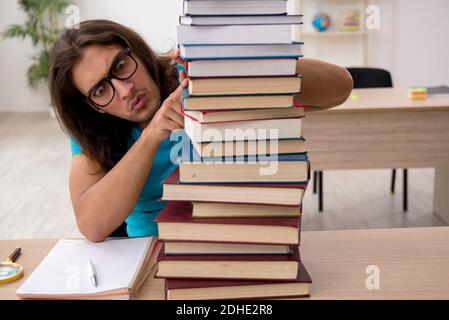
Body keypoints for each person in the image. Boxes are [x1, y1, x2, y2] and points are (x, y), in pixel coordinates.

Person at [49, 19, 353, 242]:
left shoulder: (194, 74)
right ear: (92, 106)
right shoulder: (94, 132)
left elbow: (339, 87)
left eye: (120, 66)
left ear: (137, 53)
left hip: (249, 238)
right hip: (155, 251)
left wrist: (234, 66)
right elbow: (93, 225)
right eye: (101, 90)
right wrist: (153, 133)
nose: (125, 90)